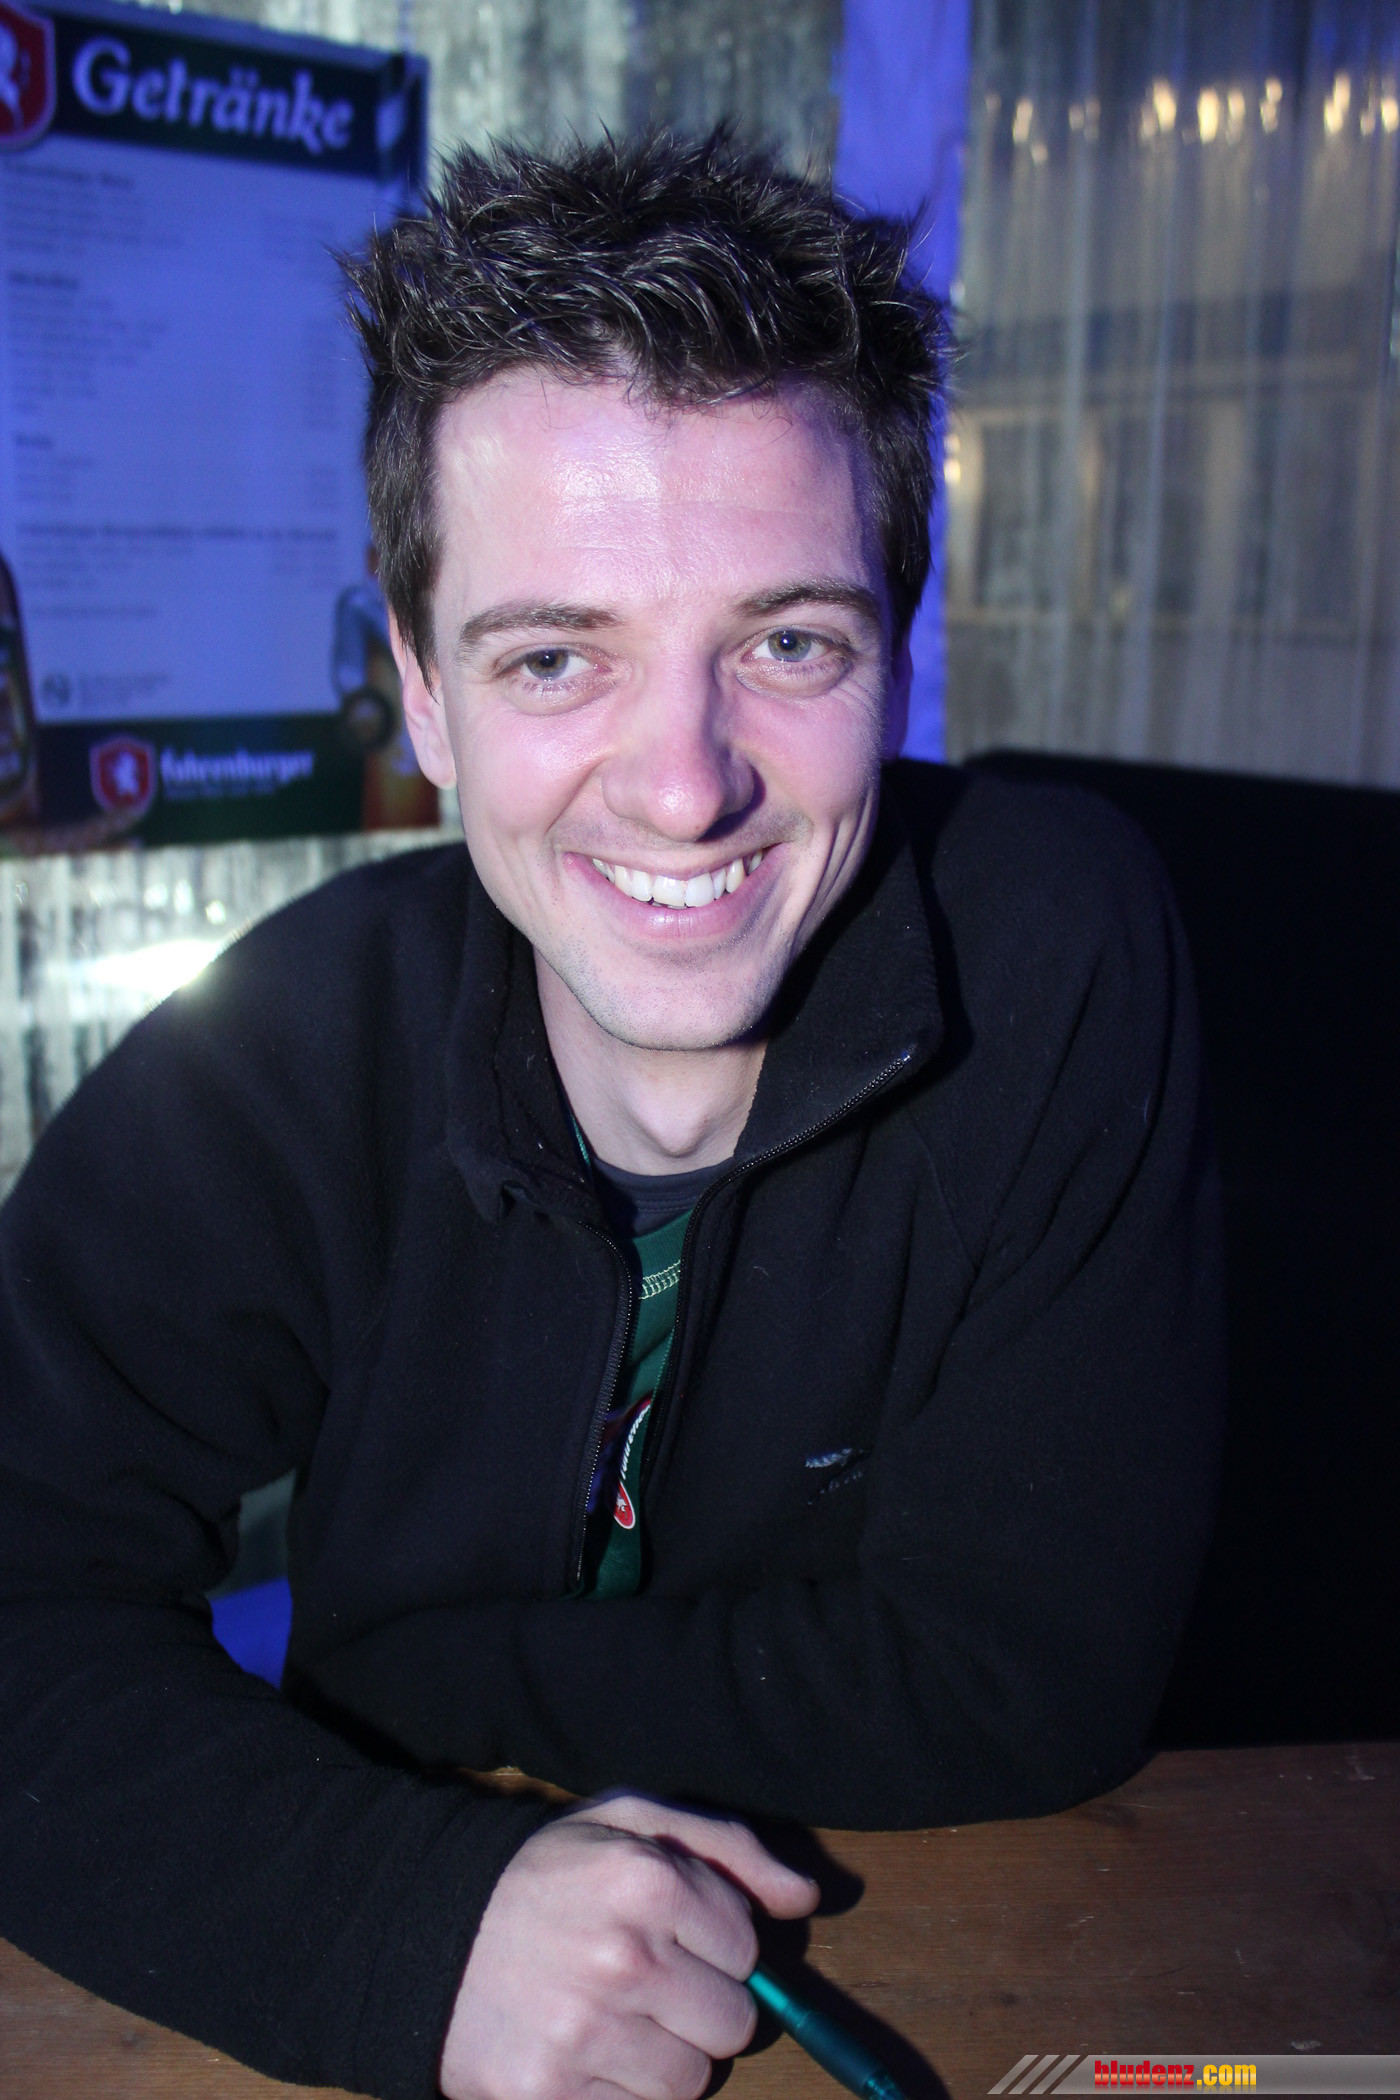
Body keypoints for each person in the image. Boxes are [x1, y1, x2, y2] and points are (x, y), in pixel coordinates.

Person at [0, 131, 1223, 2100]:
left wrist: (409, 1667)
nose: (681, 784)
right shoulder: (284, 1046)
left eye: (787, 644)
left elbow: (1029, 1676)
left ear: (897, 648)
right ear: (420, 689)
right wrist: (400, 1923)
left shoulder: (1052, 944)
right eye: (557, 656)